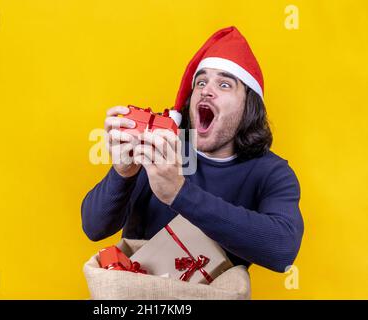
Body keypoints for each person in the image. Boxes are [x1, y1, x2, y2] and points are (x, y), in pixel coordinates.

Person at [81, 26, 304, 272]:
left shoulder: (270, 172)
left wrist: (179, 193)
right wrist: (122, 174)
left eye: (225, 85)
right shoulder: (165, 147)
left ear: (248, 106)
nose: (206, 90)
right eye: (201, 82)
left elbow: (283, 251)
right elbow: (94, 227)